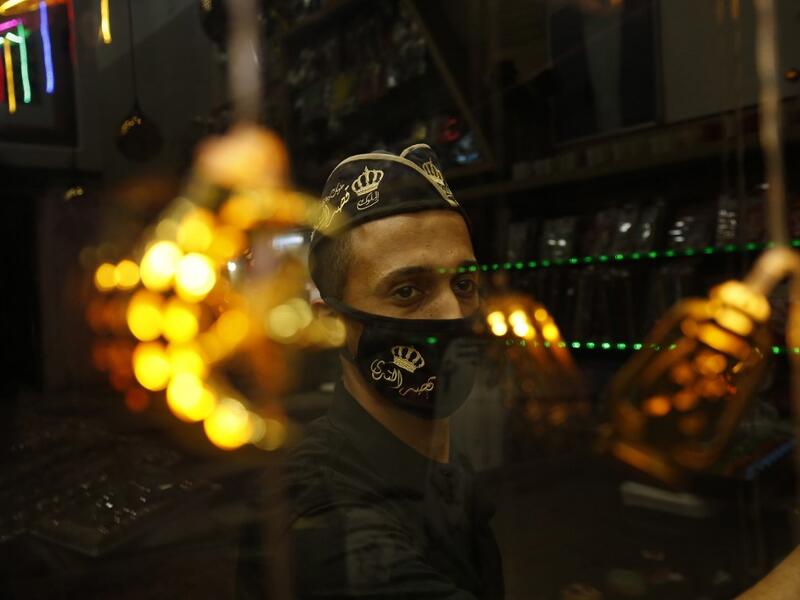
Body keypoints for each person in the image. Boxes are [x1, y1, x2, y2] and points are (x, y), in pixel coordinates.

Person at [236, 144, 504, 599]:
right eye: (407, 290)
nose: (451, 314)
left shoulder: (445, 469)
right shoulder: (315, 506)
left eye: (463, 284)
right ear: (331, 322)